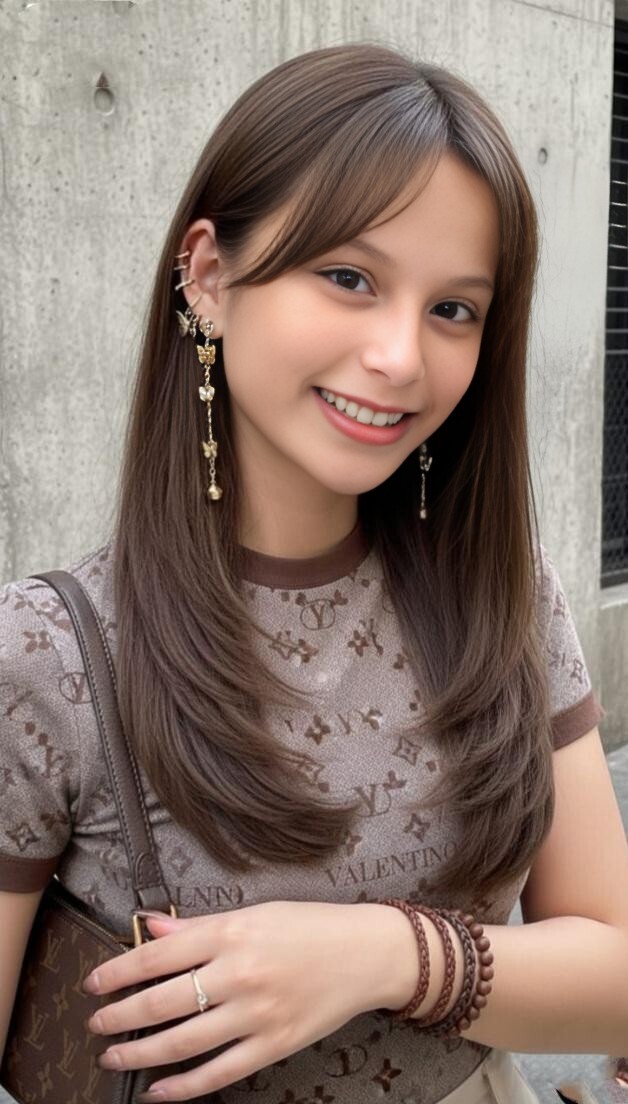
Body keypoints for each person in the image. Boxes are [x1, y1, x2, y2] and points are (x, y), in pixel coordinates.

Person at [0, 41, 626, 1104]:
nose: (401, 356)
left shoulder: (504, 592)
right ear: (209, 277)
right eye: (348, 278)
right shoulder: (50, 651)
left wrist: (383, 956)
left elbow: (615, 976)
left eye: (453, 309)